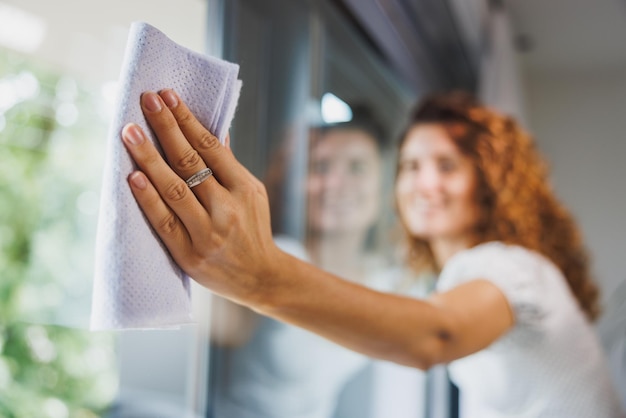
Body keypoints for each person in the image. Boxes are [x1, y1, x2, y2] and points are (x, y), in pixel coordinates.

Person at [121, 88, 625, 417]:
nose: (424, 183)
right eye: (411, 166)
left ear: (491, 181)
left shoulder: (510, 266)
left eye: (446, 165)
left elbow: (435, 335)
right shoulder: (452, 278)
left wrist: (261, 276)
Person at [208, 113, 417, 418]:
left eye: (356, 167)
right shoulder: (278, 256)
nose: (335, 183)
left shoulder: (384, 281)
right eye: (320, 167)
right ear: (296, 186)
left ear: (385, 188)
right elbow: (221, 326)